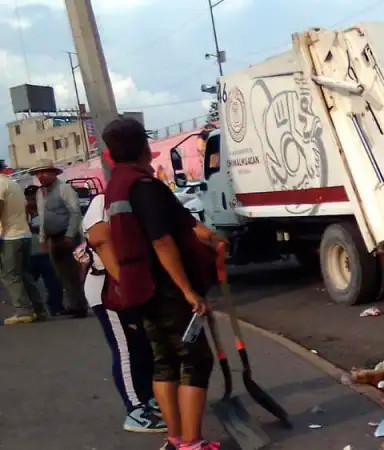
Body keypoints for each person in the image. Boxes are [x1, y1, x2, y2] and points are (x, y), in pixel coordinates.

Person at [103, 118, 227, 450]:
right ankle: (190, 442)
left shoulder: (116, 185)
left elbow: (181, 225)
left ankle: (175, 439)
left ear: (110, 154)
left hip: (139, 287)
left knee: (165, 360)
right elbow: (161, 241)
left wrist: (213, 238)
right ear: (144, 147)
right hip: (164, 287)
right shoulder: (144, 187)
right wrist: (188, 291)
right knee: (194, 360)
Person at [81, 191, 168, 433]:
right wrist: (124, 285)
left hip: (126, 285)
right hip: (107, 288)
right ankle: (135, 409)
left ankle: (147, 399)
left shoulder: (138, 199)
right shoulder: (102, 202)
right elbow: (100, 240)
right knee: (125, 349)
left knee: (141, 346)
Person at [30, 159, 89, 318]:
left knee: (73, 272)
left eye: (44, 172)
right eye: (38, 173)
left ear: (53, 173)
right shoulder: (40, 193)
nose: (41, 176)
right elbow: (42, 217)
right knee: (61, 272)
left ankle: (80, 305)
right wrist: (42, 238)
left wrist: (70, 235)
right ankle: (73, 302)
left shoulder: (64, 189)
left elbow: (75, 212)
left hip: (67, 235)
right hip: (53, 237)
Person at [1, 175, 47, 325]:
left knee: (10, 274)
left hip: (9, 236)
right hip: (23, 233)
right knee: (23, 273)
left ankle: (23, 310)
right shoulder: (11, 184)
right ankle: (38, 308)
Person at [25, 185, 65, 316]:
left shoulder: (47, 212)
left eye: (34, 197)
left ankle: (56, 308)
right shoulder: (22, 215)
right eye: (29, 197)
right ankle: (35, 309)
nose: (32, 200)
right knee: (29, 285)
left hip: (46, 253)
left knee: (54, 283)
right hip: (29, 254)